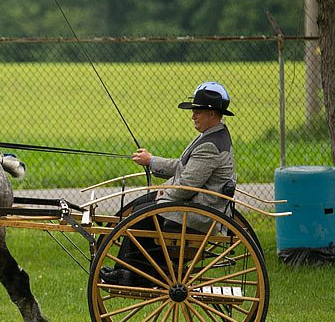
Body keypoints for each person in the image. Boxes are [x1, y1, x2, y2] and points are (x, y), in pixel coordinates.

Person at [101, 81, 237, 287]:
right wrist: (151, 160)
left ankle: (133, 274)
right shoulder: (212, 136)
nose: (193, 115)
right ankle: (130, 270)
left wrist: (165, 195)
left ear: (212, 114)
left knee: (141, 216)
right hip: (198, 204)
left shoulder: (210, 145)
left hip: (197, 216)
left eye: (197, 111)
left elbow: (187, 186)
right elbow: (183, 167)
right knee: (140, 208)